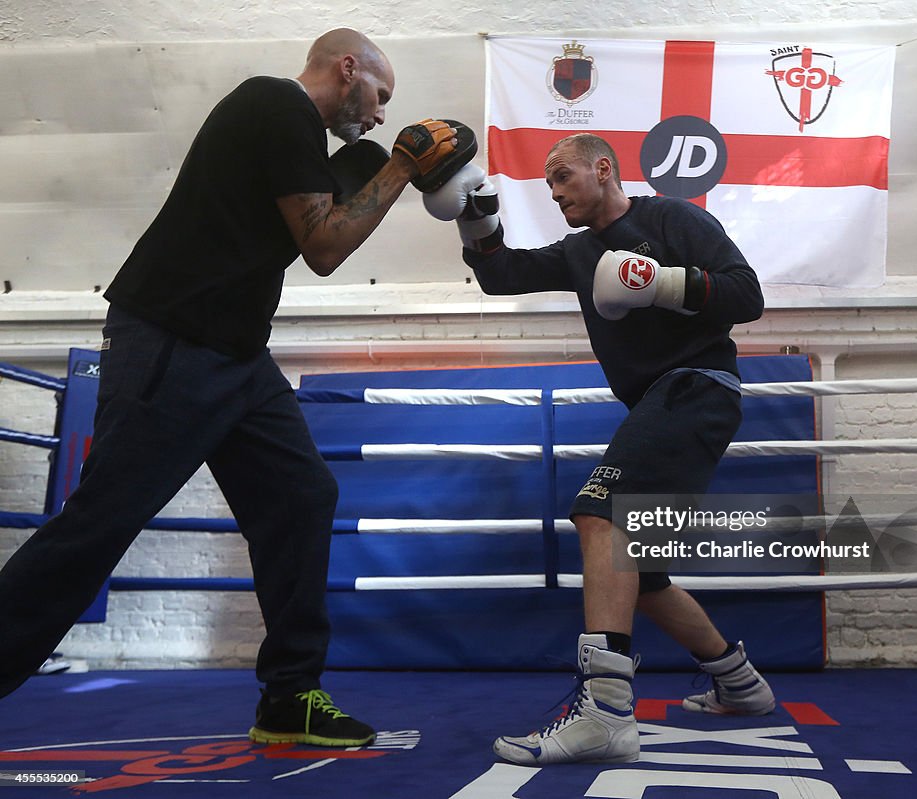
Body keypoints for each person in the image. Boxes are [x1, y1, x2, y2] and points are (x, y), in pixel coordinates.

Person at [0, 28, 469, 748]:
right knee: (98, 525)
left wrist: (379, 163)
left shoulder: (298, 137)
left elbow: (320, 215)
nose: (378, 114)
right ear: (348, 69)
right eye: (379, 96)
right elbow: (325, 246)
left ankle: (291, 696)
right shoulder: (275, 104)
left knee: (301, 494)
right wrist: (401, 166)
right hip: (173, 343)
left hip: (240, 360)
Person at [423, 133, 776, 765]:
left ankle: (607, 713)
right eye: (549, 183)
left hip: (698, 386)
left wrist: (664, 283)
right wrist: (476, 213)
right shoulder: (580, 252)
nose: (555, 192)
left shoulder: (673, 217)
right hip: (657, 403)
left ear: (604, 169)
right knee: (634, 571)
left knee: (600, 514)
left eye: (563, 177)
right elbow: (501, 275)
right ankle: (740, 685)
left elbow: (746, 295)